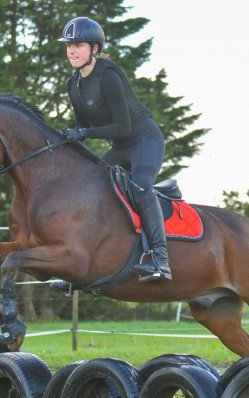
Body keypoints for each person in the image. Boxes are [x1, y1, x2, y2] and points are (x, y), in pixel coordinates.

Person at [58, 16, 172, 283]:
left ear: (94, 49)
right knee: (90, 187)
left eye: (78, 45)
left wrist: (83, 133)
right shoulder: (72, 85)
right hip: (120, 148)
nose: (72, 50)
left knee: (141, 186)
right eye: (68, 45)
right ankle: (77, 262)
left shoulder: (108, 75)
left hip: (145, 141)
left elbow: (122, 126)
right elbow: (81, 129)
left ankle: (161, 259)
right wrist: (61, 140)